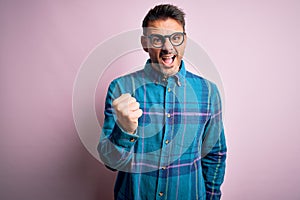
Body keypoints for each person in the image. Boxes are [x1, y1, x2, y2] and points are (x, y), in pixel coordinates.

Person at [98, 4, 227, 200]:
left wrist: (211, 197)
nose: (168, 48)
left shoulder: (208, 92)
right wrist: (125, 130)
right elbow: (111, 162)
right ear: (145, 43)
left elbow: (214, 155)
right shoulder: (121, 88)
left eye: (175, 38)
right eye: (157, 39)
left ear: (185, 40)